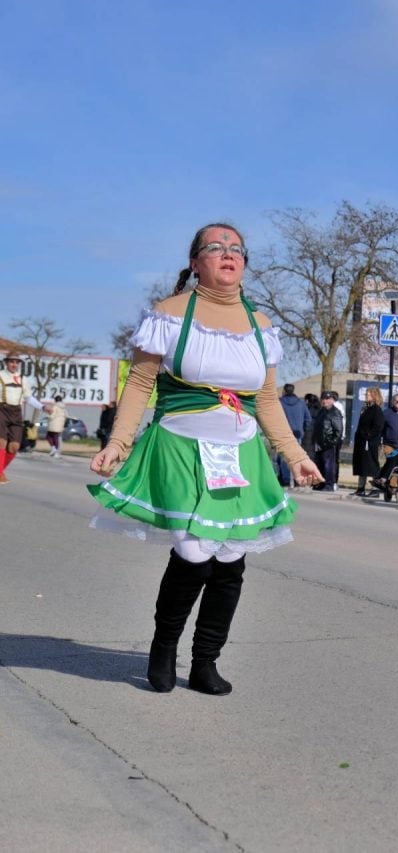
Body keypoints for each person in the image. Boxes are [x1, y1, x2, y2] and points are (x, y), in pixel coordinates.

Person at [87, 222, 322, 696]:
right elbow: (139, 385)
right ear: (196, 262)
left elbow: (269, 400)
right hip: (179, 448)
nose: (228, 254)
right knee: (194, 553)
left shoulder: (262, 326)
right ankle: (163, 650)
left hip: (241, 456)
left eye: (236, 249)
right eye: (215, 248)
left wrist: (294, 454)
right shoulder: (167, 315)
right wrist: (118, 442)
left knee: (231, 558)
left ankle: (205, 662)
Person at [0, 353, 49, 484]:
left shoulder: (23, 379)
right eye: (12, 362)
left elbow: (28, 398)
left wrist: (43, 407)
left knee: (14, 447)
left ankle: (0, 470)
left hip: (16, 412)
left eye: (17, 362)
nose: (14, 364)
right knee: (1, 442)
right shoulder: (1, 375)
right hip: (1, 410)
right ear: (6, 363)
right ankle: (0, 474)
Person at [276, 383, 311, 488]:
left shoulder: (280, 402)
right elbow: (308, 419)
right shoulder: (301, 403)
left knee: (284, 458)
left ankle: (286, 480)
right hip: (297, 433)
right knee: (297, 458)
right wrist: (302, 430)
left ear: (285, 391)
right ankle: (297, 479)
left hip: (283, 434)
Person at [352, 387, 385, 497]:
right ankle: (360, 488)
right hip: (361, 441)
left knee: (371, 465)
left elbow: (378, 426)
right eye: (367, 394)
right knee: (362, 464)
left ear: (375, 396)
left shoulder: (376, 410)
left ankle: (375, 489)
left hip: (370, 442)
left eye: (369, 394)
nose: (367, 396)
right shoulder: (365, 408)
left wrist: (368, 435)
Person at [312, 391, 345, 492]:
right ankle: (321, 483)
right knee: (320, 463)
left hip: (328, 443)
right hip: (319, 442)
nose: (325, 401)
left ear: (331, 400)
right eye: (323, 399)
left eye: (327, 399)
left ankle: (329, 484)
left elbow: (339, 430)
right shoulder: (322, 411)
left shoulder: (335, 412)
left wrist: (332, 441)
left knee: (329, 464)